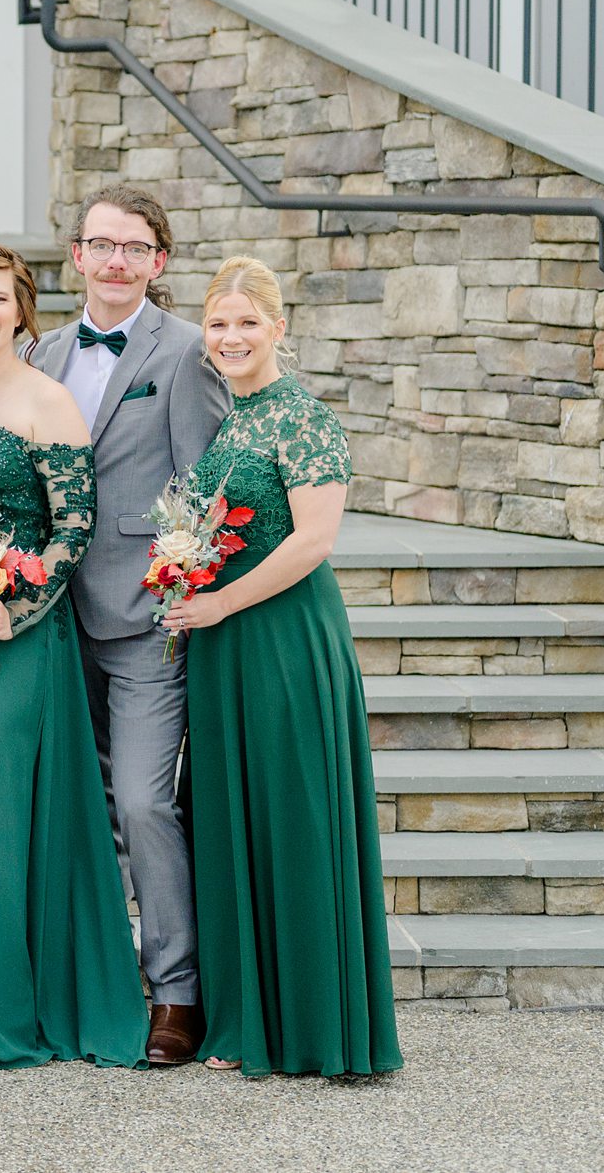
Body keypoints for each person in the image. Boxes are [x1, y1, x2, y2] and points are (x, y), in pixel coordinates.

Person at [0, 240, 148, 1071]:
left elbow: (73, 529)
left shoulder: (48, 402)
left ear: (20, 310)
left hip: (20, 636)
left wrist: (16, 604)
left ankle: (8, 1011)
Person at [162, 256, 403, 1079]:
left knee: (291, 818)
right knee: (234, 818)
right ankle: (247, 1016)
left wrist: (222, 605)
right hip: (225, 647)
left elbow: (314, 541)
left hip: (284, 641)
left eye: (246, 323)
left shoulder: (302, 415)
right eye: (218, 323)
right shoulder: (235, 419)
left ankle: (309, 1023)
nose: (230, 337)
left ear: (279, 328)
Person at [25, 185, 226, 1065]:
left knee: (144, 800)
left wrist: (185, 588)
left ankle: (176, 991)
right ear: (76, 256)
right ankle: (100, 982)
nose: (115, 261)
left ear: (159, 262)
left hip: (147, 619)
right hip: (52, 620)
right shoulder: (40, 350)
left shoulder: (185, 352)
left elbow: (209, 486)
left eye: (133, 248)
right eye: (101, 245)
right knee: (82, 807)